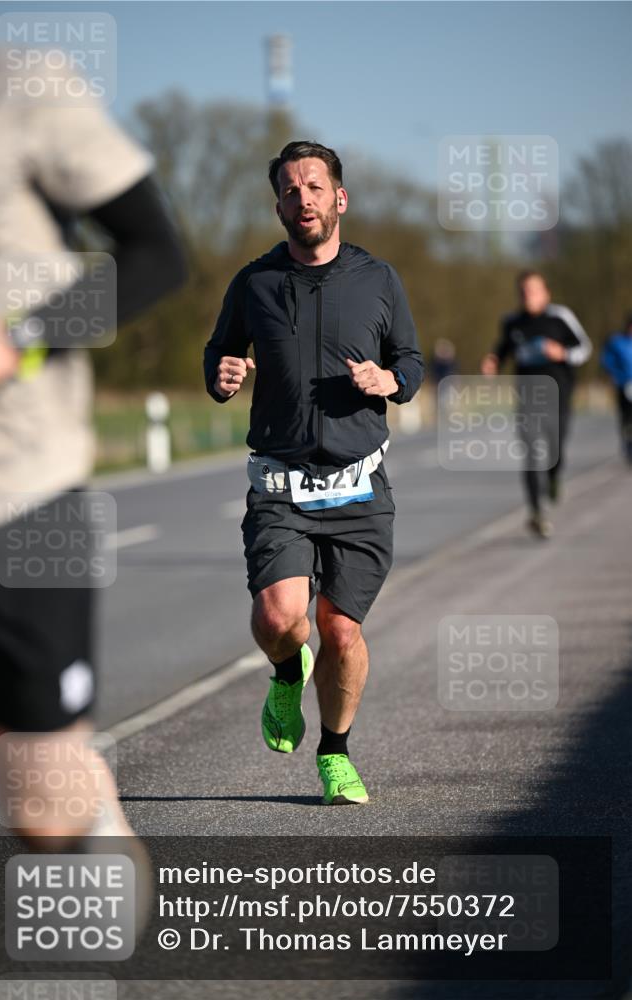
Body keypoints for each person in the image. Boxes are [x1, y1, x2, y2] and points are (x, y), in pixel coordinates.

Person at [0, 39, 186, 845]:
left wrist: (22, 338)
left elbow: (158, 256)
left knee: (43, 811)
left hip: (16, 491)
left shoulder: (14, 91)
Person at [204, 141, 423, 805]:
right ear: (278, 206)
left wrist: (390, 379)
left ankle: (334, 753)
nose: (303, 198)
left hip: (360, 484)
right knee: (280, 619)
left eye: (314, 187)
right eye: (290, 190)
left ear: (338, 198)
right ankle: (281, 672)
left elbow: (409, 362)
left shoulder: (378, 279)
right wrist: (222, 376)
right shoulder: (255, 283)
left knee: (340, 631)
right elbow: (219, 354)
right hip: (280, 485)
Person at [481, 270, 591, 539]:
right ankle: (536, 513)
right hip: (528, 397)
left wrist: (562, 352)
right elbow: (503, 349)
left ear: (546, 293)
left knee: (555, 448)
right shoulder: (511, 322)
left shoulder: (560, 317)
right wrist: (493, 360)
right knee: (530, 453)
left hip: (558, 395)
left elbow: (584, 348)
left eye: (533, 290)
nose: (528, 295)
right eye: (524, 291)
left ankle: (553, 478)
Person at [601, 313, 632, 465]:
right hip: (624, 385)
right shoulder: (617, 342)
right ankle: (627, 444)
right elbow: (607, 361)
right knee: (626, 417)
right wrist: (617, 377)